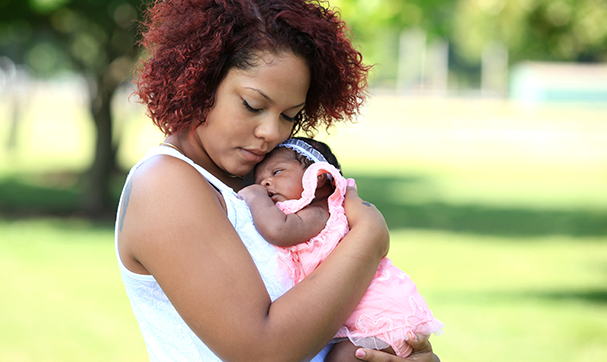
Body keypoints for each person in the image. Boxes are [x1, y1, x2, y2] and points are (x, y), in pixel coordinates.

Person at [116, 0, 440, 361]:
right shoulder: (166, 185)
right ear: (201, 80)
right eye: (253, 105)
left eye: (289, 115)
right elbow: (262, 350)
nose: (271, 132)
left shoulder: (255, 182)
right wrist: (369, 237)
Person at [238, 138, 445, 361]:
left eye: (277, 172)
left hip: (379, 318)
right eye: (260, 181)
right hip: (366, 320)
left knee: (343, 358)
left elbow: (278, 229)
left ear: (317, 178)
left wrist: (254, 196)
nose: (265, 184)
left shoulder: (321, 212)